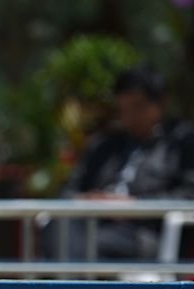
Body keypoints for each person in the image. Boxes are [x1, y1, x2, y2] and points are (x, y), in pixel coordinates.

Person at [46, 66, 194, 259]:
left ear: (161, 103)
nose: (129, 117)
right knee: (59, 229)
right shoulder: (105, 145)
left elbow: (188, 196)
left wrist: (134, 206)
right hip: (91, 224)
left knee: (84, 244)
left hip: (144, 234)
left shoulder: (182, 143)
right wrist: (88, 200)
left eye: (138, 107)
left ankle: (67, 288)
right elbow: (68, 190)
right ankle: (69, 287)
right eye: (123, 109)